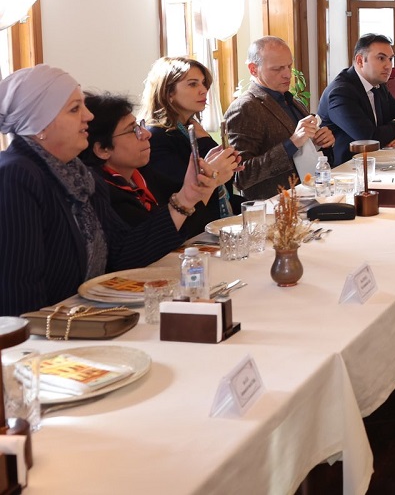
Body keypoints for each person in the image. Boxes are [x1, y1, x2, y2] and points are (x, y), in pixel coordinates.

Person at [0, 66, 218, 316]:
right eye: (74, 109)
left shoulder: (79, 175)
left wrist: (187, 197)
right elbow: (18, 290)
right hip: (51, 329)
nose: (88, 116)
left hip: (84, 317)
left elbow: (122, 254)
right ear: (39, 123)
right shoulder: (15, 175)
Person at [80, 92, 224, 237]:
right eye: (133, 130)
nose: (147, 134)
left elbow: (189, 219)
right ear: (102, 149)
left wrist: (206, 175)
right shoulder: (100, 193)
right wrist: (206, 183)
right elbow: (156, 240)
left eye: (139, 125)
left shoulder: (142, 173)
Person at [224, 36, 335, 200]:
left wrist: (321, 142)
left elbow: (304, 151)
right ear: (253, 69)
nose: (287, 74)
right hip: (275, 206)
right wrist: (292, 143)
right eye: (277, 69)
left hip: (310, 195)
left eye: (289, 66)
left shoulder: (293, 102)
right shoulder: (245, 107)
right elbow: (242, 176)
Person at [139, 56, 240, 220]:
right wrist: (214, 166)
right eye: (193, 84)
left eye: (203, 83)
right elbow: (187, 194)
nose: (203, 90)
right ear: (168, 92)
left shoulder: (190, 129)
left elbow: (224, 185)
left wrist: (227, 164)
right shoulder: (155, 137)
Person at [318, 33, 395, 165]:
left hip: (378, 160)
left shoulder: (378, 85)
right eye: (381, 58)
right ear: (360, 61)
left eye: (390, 59)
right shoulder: (340, 92)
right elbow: (369, 138)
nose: (388, 66)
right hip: (346, 168)